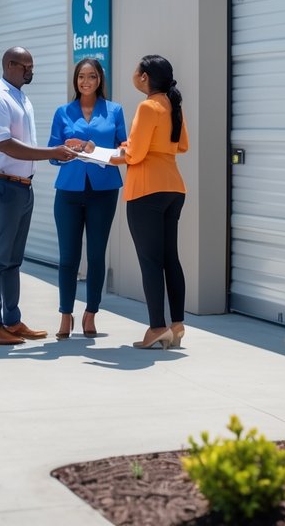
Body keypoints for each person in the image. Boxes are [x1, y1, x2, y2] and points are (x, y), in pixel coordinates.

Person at [0, 47, 79, 345]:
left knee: (12, 260)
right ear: (10, 65)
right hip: (4, 187)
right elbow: (6, 146)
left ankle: (12, 321)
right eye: (27, 66)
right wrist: (52, 152)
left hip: (23, 187)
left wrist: (61, 147)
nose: (31, 71)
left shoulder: (20, 97)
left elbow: (27, 143)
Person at [112, 55, 190, 350]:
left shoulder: (148, 106)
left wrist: (116, 155)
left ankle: (157, 327)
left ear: (144, 77)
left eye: (136, 70)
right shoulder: (172, 105)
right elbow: (181, 146)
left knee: (150, 262)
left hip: (146, 189)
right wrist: (131, 147)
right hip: (173, 187)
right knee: (171, 258)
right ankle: (177, 325)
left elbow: (135, 156)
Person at [47, 57, 128, 339]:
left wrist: (98, 150)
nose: (86, 82)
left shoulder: (115, 111)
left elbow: (124, 150)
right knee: (68, 257)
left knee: (96, 255)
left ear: (100, 80)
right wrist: (71, 150)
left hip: (104, 191)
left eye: (91, 76)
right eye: (81, 76)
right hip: (69, 191)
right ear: (75, 80)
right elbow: (52, 156)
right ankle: (65, 314)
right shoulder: (63, 112)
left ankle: (91, 312)